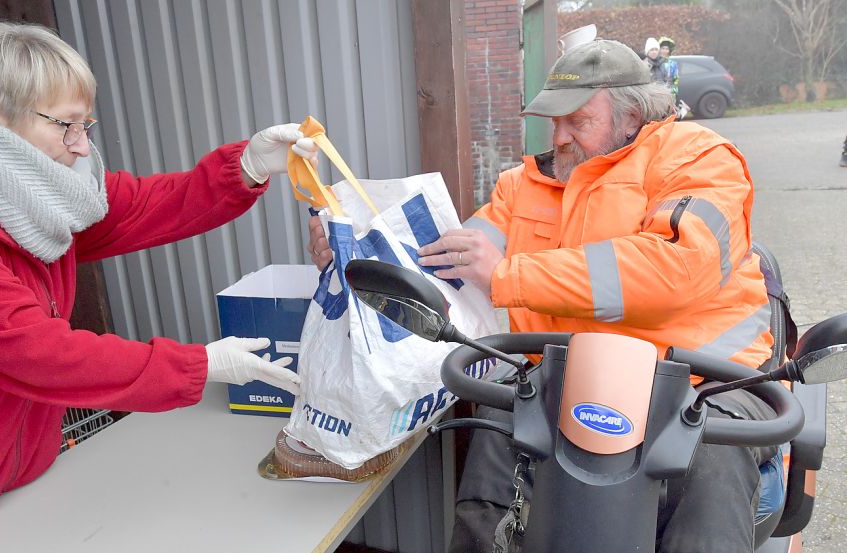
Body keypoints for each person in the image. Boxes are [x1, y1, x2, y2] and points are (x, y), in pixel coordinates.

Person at [309, 39, 776, 553]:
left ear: (632, 116)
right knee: (494, 436)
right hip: (562, 379)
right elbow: (444, 266)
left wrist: (510, 276)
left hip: (703, 379)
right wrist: (352, 255)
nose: (560, 136)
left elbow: (677, 269)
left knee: (712, 466)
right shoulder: (523, 186)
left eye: (578, 121)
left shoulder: (699, 160)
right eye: (553, 121)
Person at [0, 22, 317, 551]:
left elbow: (138, 206)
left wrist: (243, 167)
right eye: (65, 126)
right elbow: (30, 350)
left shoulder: (25, 185)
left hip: (0, 478)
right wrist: (199, 366)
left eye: (87, 125)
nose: (81, 148)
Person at [659, 36, 680, 101]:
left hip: (669, 92)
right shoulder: (655, 63)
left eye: (666, 49)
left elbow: (676, 78)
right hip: (657, 92)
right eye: (663, 48)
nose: (664, 51)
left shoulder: (672, 64)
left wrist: (673, 90)